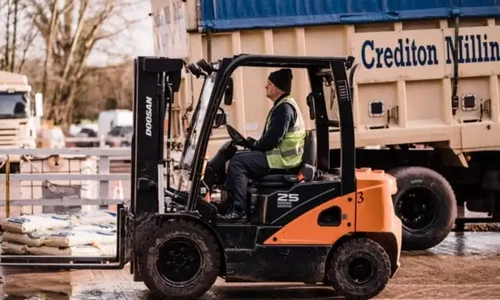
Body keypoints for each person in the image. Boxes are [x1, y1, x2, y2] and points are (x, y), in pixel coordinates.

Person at [218, 68, 306, 222]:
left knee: (237, 163)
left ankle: (239, 211)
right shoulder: (283, 105)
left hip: (282, 160)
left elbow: (272, 140)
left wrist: (254, 145)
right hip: (279, 157)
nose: (266, 87)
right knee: (237, 158)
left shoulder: (284, 109)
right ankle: (230, 204)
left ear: (278, 87)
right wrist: (252, 144)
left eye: (269, 84)